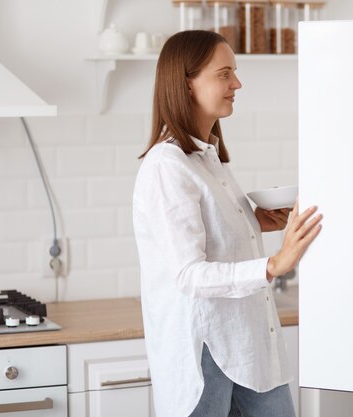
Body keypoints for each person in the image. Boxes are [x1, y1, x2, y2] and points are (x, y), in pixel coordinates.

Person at [132, 30, 322, 417]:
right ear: (187, 84)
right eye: (224, 74)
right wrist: (273, 265)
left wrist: (253, 222)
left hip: (247, 346)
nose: (237, 83)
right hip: (205, 353)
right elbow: (189, 274)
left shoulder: (207, 158)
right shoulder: (167, 167)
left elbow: (208, 236)